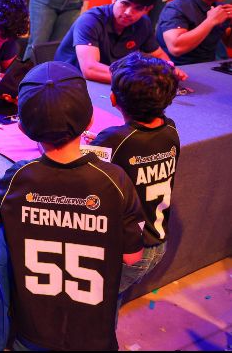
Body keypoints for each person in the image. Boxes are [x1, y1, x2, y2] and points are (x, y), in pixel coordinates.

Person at [0, 61, 144, 351]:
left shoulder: (18, 177)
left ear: (22, 126)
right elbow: (133, 257)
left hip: (32, 330)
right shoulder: (115, 180)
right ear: (91, 121)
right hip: (92, 334)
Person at [89, 53, 180, 307]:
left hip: (127, 248)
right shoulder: (170, 129)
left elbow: (82, 171)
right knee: (111, 299)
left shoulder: (113, 140)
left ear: (114, 99)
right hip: (157, 243)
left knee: (98, 304)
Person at [55, 0, 188, 83]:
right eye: (125, 4)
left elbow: (157, 54)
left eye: (138, 8)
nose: (128, 12)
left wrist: (169, 69)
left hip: (110, 82)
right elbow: (90, 69)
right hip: (69, 82)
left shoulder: (143, 23)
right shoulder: (90, 20)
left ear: (148, 9)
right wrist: (139, 79)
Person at [157, 0, 232, 65]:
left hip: (207, 69)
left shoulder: (219, 7)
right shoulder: (176, 8)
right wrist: (210, 21)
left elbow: (229, 43)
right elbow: (176, 48)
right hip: (177, 72)